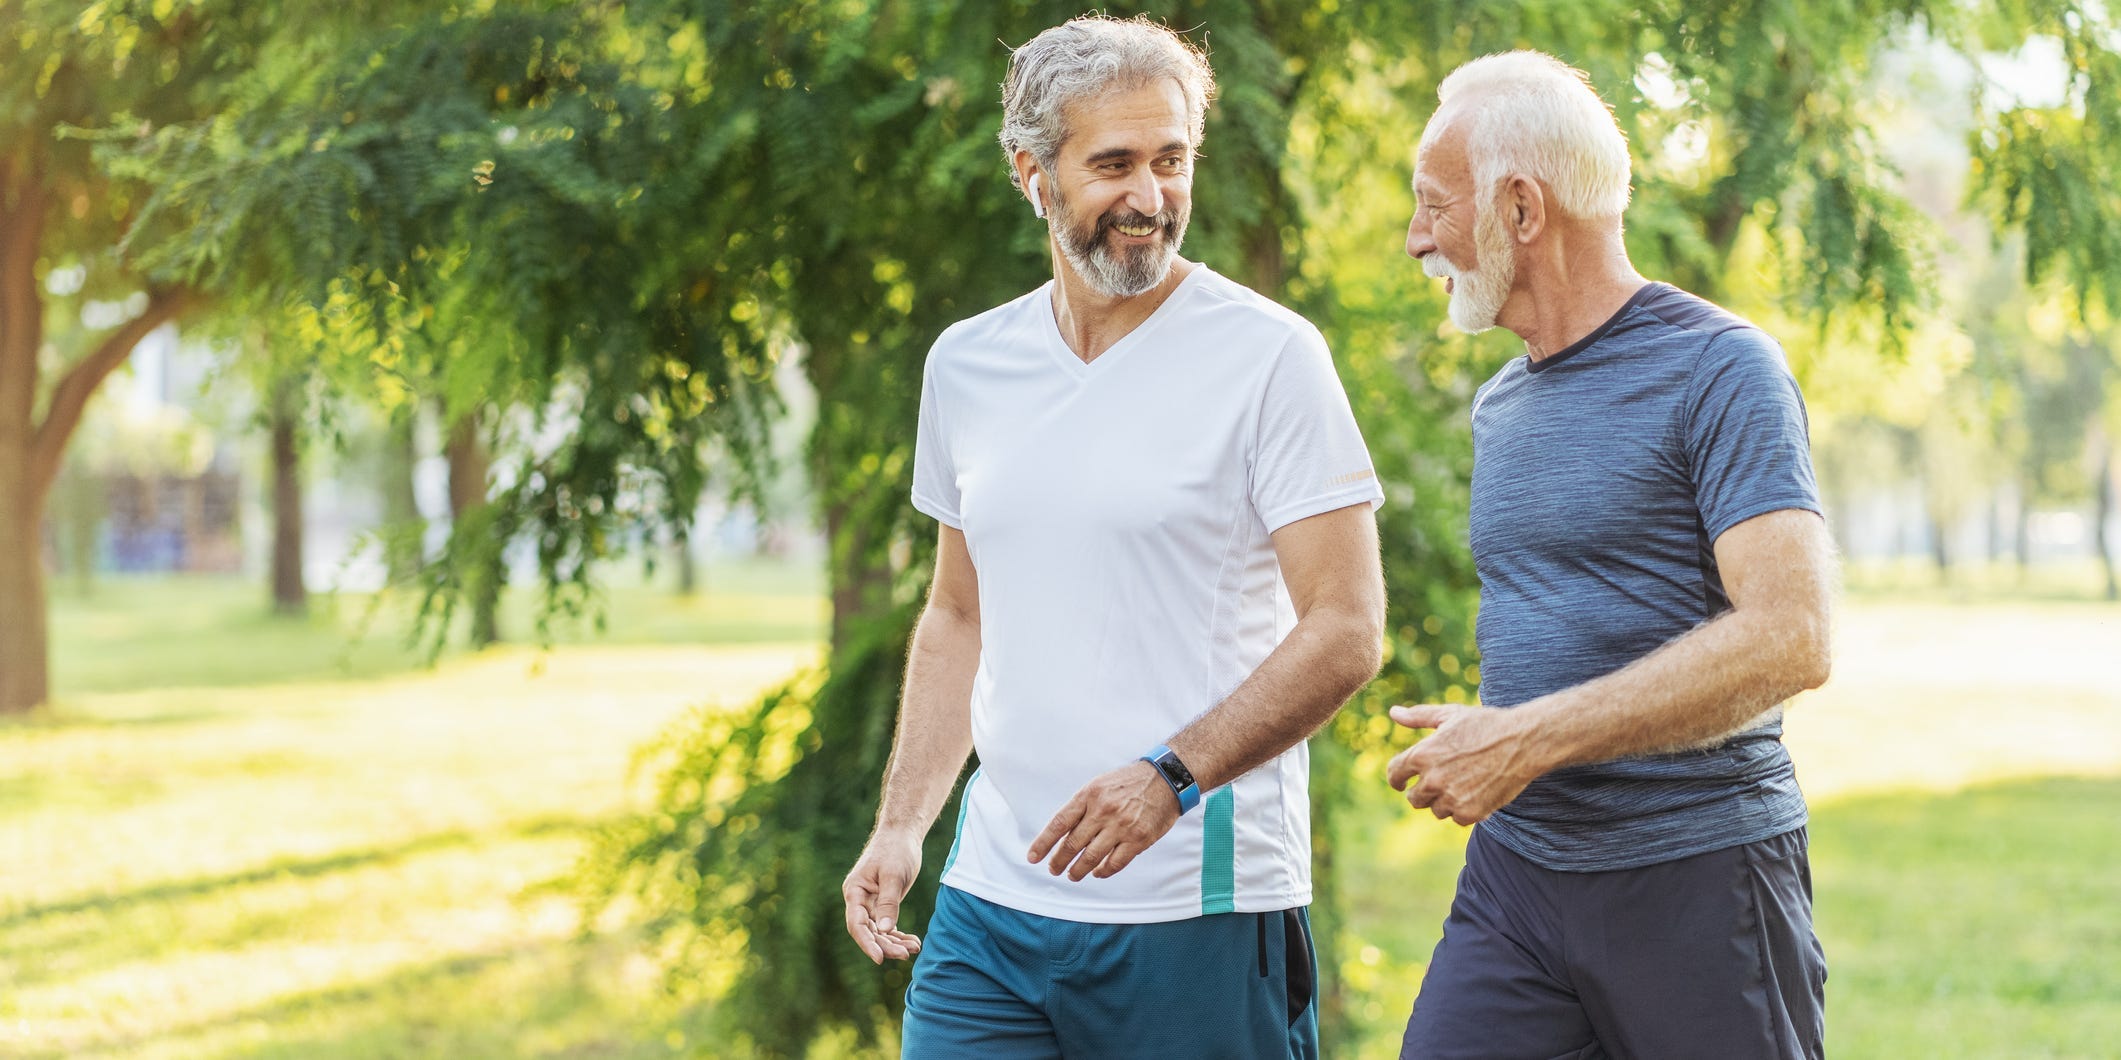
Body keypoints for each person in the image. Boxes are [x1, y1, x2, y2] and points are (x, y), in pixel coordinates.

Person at [837, 14, 1387, 1059]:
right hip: (993, 906)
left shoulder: (1270, 357)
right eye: (1114, 164)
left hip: (1196, 908)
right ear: (1031, 172)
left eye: (1171, 160)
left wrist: (1171, 775)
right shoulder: (968, 365)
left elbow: (1348, 626)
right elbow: (960, 614)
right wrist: (905, 820)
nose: (1149, 198)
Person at [1389, 51, 1837, 1059]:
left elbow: (1792, 638)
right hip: (1520, 873)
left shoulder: (1722, 370)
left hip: (1699, 873)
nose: (1417, 238)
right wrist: (1510, 750)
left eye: (1431, 204)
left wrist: (1525, 739)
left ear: (1520, 208)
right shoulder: (1501, 405)